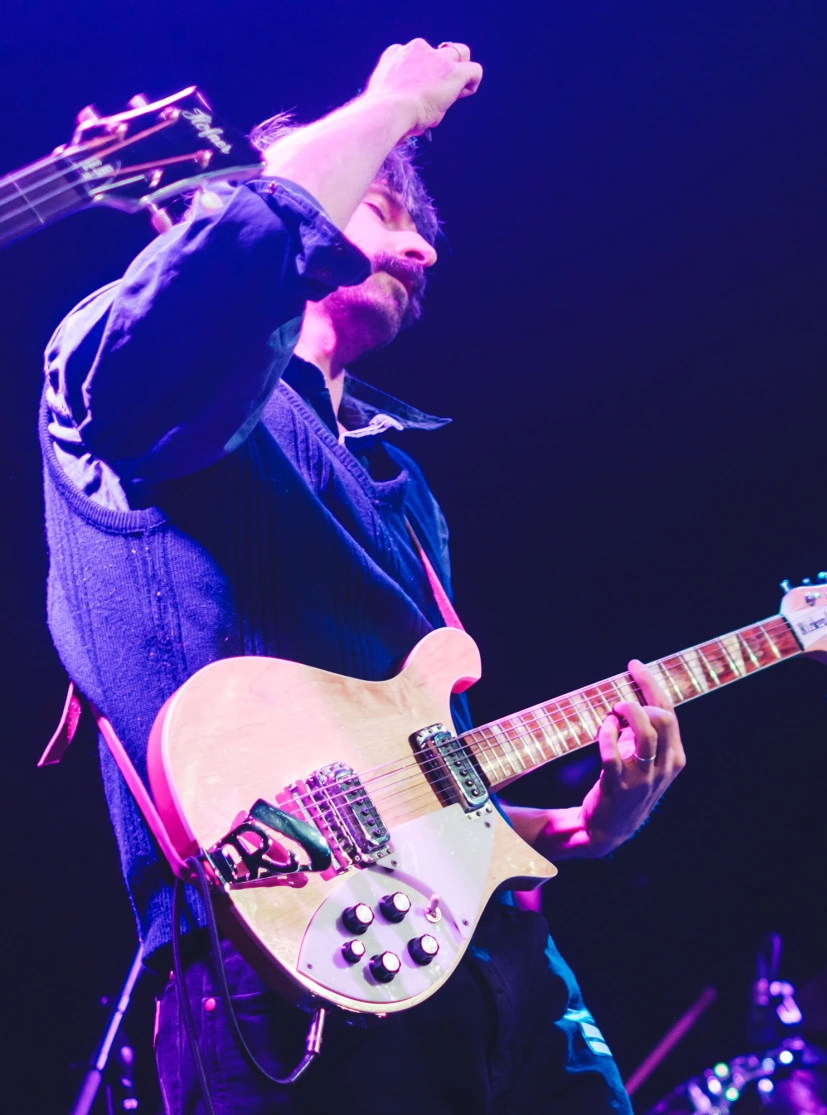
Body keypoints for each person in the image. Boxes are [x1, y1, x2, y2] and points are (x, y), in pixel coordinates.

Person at [41, 39, 686, 1114]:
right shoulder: (117, 343)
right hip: (284, 982)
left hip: (500, 973)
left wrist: (575, 829)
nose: (424, 251)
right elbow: (215, 283)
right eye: (389, 207)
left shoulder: (402, 481)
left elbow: (405, 789)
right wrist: (387, 106)